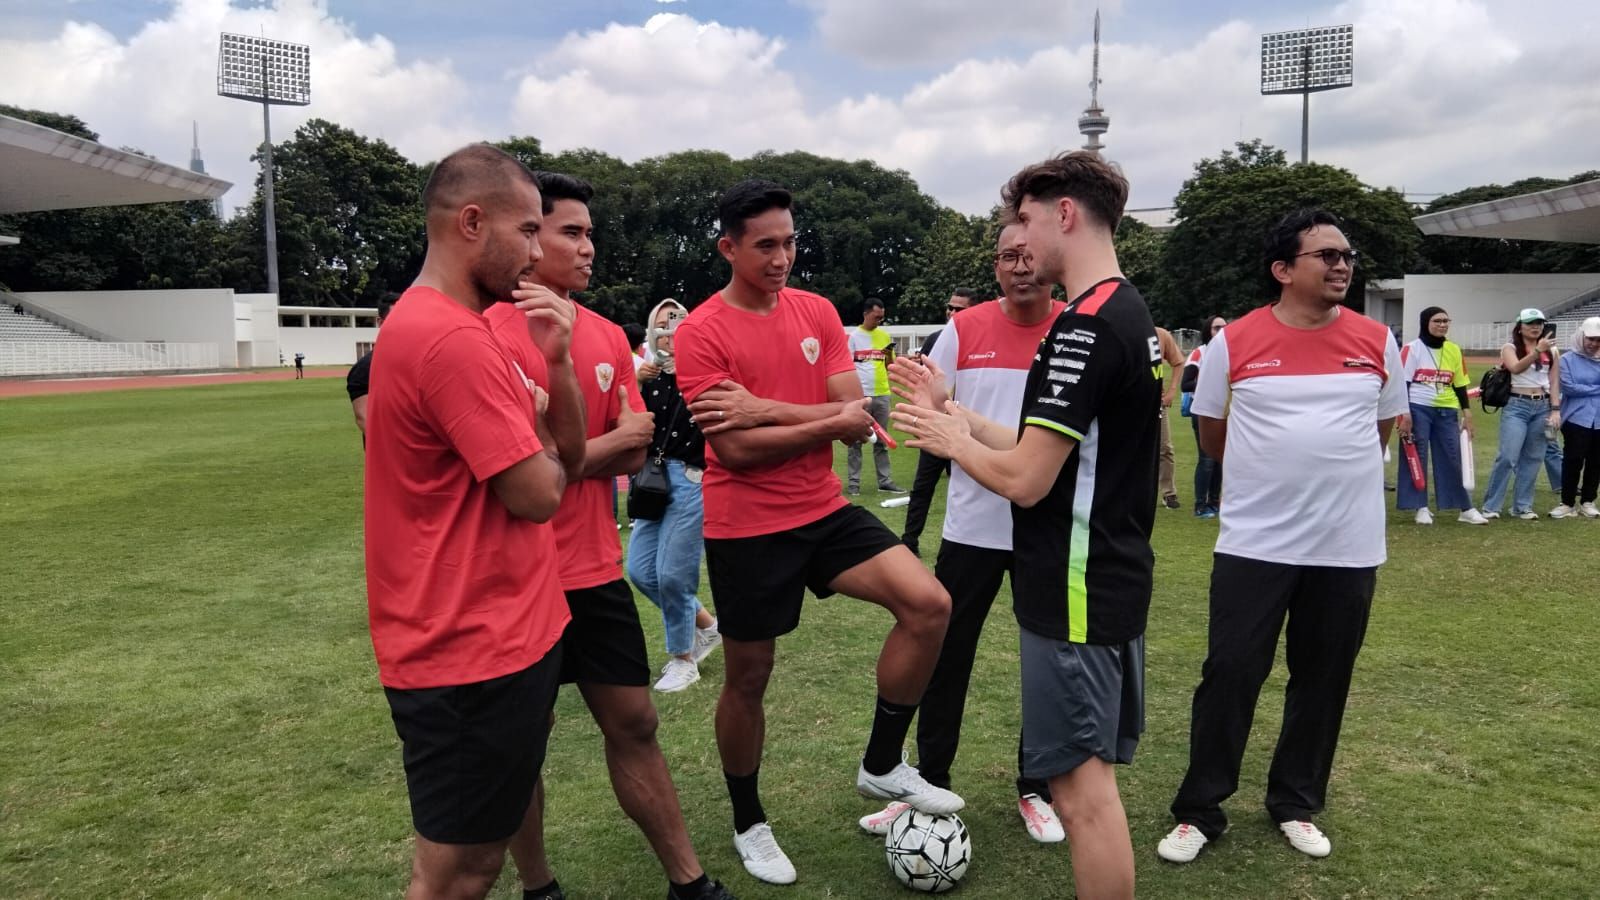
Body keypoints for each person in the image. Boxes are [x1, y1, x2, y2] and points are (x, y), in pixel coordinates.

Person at [673, 179, 958, 886]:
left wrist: (776, 412)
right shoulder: (700, 330)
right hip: (747, 526)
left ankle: (883, 764)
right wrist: (827, 421)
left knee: (929, 605)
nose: (781, 257)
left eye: (789, 241)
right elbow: (735, 451)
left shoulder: (817, 311)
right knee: (748, 676)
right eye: (765, 244)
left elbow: (854, 415)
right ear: (728, 247)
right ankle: (748, 820)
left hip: (822, 509)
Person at [892, 151, 1159, 900]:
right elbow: (1043, 449)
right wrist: (955, 414)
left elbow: (1026, 480)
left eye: (1027, 221)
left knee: (1081, 793)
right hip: (1104, 577)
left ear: (1064, 214)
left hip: (1075, 589)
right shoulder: (1124, 311)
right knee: (1085, 780)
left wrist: (948, 443)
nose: (1020, 239)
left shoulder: (1084, 327)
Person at [484, 172, 734, 900]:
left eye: (590, 232)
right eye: (572, 232)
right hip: (515, 578)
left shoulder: (599, 334)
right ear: (530, 240)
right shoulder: (486, 331)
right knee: (521, 749)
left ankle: (687, 882)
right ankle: (539, 888)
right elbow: (514, 476)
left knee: (636, 722)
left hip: (592, 570)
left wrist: (560, 459)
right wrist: (579, 456)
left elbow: (634, 449)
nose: (589, 246)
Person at [1157, 208, 1408, 866]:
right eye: (1326, 255)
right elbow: (1211, 435)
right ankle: (1200, 809)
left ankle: (1295, 801)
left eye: (1346, 255)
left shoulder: (1378, 340)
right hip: (1255, 544)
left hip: (1347, 546)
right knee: (1231, 672)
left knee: (1323, 677)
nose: (1342, 264)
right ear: (1283, 269)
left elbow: (1379, 432)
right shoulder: (1234, 342)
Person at [363, 143, 575, 900]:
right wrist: (544, 434)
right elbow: (542, 492)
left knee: (475, 854)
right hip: (465, 649)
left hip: (491, 635)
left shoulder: (447, 323)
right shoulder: (451, 338)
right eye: (526, 231)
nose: (537, 251)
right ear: (472, 221)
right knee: (459, 870)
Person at [861, 222, 1068, 844]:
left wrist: (958, 417)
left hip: (1047, 525)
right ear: (995, 265)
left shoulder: (1075, 328)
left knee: (1047, 663)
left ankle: (1038, 786)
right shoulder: (965, 327)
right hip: (974, 525)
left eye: (1029, 255)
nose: (1019, 266)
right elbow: (928, 411)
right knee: (947, 658)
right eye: (1007, 256)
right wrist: (935, 408)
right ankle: (927, 779)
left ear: (1053, 261)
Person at [629, 297, 723, 693]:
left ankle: (683, 659)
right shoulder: (645, 377)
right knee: (640, 569)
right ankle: (707, 625)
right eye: (662, 325)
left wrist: (692, 375)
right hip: (651, 478)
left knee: (673, 573)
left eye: (677, 323)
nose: (669, 332)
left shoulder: (701, 373)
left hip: (690, 477)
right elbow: (624, 420)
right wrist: (636, 383)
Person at [901, 289, 977, 556]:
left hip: (968, 429)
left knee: (970, 489)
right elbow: (921, 382)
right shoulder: (935, 340)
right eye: (950, 307)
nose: (952, 313)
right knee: (923, 486)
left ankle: (969, 547)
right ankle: (909, 540)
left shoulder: (980, 341)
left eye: (960, 309)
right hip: (936, 426)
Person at [1396, 306, 1487, 525]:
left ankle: (1465, 508)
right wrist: (1404, 414)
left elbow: (1460, 385)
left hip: (1447, 410)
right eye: (1437, 321)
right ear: (1426, 323)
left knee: (1453, 456)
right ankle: (1421, 507)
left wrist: (1467, 413)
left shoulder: (1454, 349)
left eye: (1446, 321)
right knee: (1417, 455)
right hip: (1418, 408)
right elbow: (1402, 384)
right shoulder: (1412, 349)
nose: (1442, 325)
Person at [1481, 308, 1563, 520]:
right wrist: (1537, 351)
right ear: (1520, 327)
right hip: (1517, 404)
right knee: (1507, 456)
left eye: (1539, 323)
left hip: (1542, 405)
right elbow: (1515, 368)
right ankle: (1491, 506)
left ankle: (1522, 506)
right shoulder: (1510, 347)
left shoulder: (1553, 351)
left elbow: (1554, 382)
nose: (1536, 327)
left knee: (1533, 458)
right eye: (1530, 323)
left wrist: (1555, 410)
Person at [846, 297, 906, 495]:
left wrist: (891, 358)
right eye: (876, 317)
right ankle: (854, 483)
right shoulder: (853, 337)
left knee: (882, 441)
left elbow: (890, 365)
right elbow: (846, 368)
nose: (879, 321)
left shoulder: (884, 336)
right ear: (865, 314)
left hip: (882, 394)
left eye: (882, 317)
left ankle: (885, 481)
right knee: (856, 440)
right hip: (861, 397)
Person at [1553, 317, 1600, 518]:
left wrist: (1588, 389)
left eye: (1599, 340)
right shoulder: (1567, 360)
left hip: (1598, 420)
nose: (1594, 344)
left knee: (1596, 462)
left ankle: (1588, 501)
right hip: (1576, 418)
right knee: (1572, 460)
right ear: (1582, 337)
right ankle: (1567, 502)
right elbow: (1569, 387)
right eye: (1591, 339)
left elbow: (1578, 387)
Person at [1180, 316, 1226, 518]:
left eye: (1225, 327)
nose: (1222, 331)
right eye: (1217, 328)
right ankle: (1200, 505)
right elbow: (1186, 383)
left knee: (1220, 458)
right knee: (1206, 459)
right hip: (1203, 411)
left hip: (1224, 411)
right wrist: (1210, 383)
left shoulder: (1229, 352)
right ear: (1208, 331)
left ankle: (1214, 501)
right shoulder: (1201, 352)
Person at [347, 293, 399, 439]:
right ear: (380, 322)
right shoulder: (365, 368)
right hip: (391, 454)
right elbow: (363, 418)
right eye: (396, 318)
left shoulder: (419, 360)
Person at [1155, 326, 1186, 510]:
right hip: (1128, 401)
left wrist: (1172, 390)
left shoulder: (1160, 334)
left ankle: (1169, 493)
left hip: (1155, 402)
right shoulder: (1124, 330)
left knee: (1164, 447)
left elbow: (1178, 361)